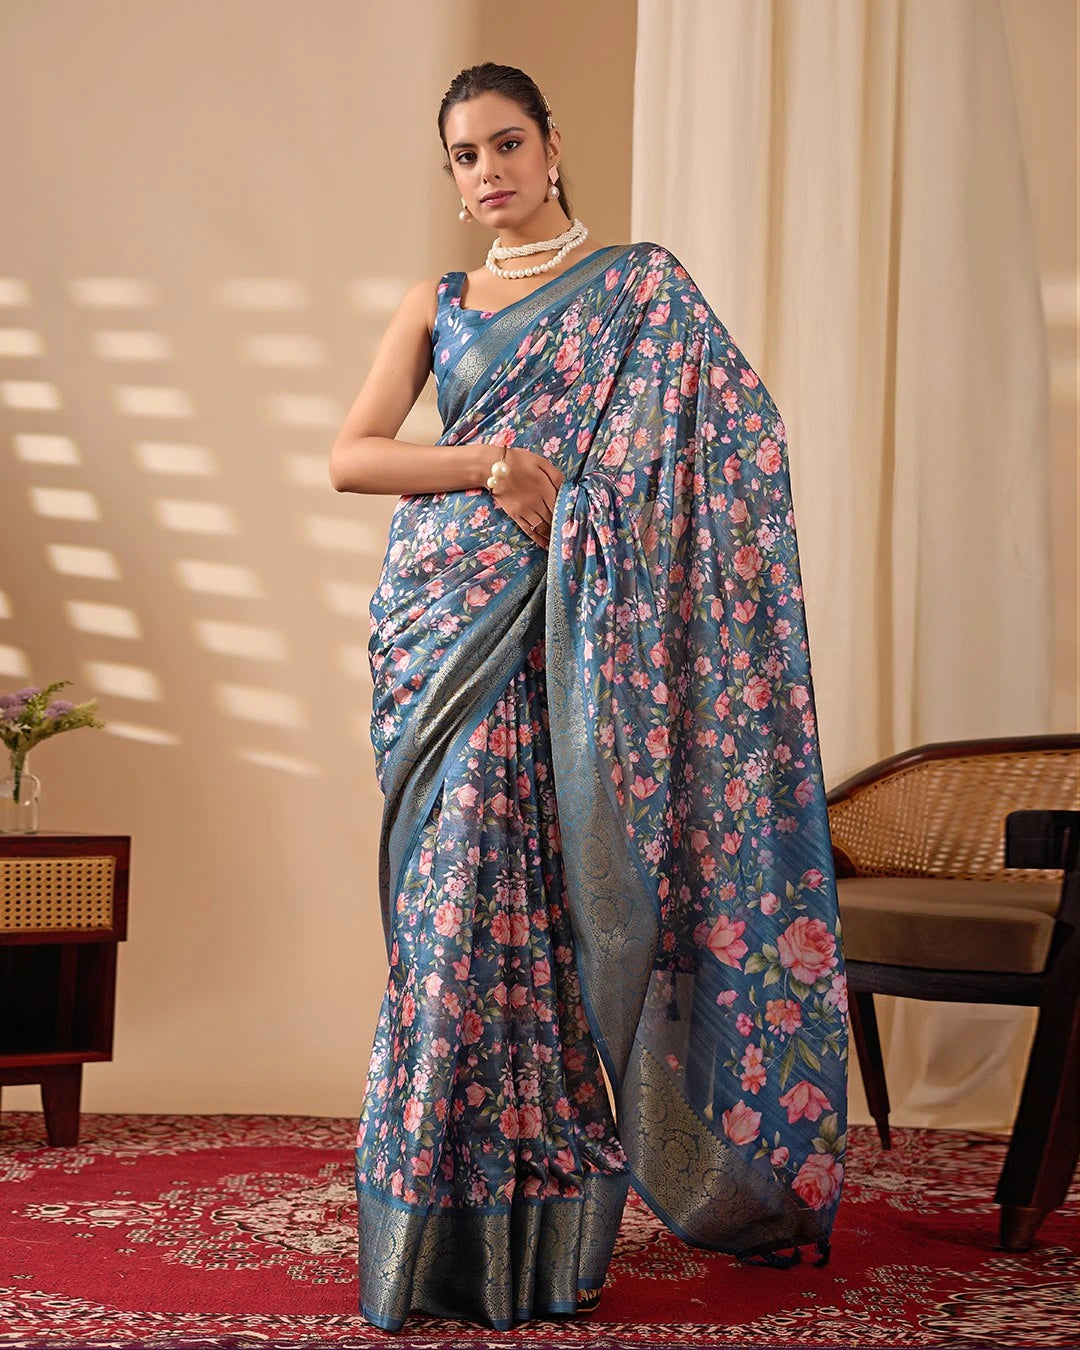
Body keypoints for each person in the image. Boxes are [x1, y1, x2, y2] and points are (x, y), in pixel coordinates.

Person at [329, 61, 849, 1335]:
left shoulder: (642, 294)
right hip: (443, 627)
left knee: (542, 926)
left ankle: (546, 1231)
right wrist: (495, 462)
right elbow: (352, 456)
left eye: (507, 144)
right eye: (464, 156)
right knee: (448, 913)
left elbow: (741, 447)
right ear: (451, 180)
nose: (488, 171)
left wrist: (586, 516)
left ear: (553, 147)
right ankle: (432, 1229)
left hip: (572, 641)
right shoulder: (437, 303)